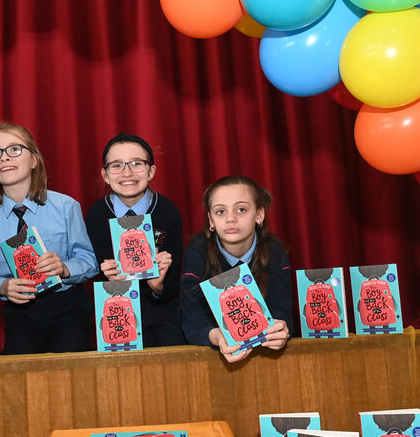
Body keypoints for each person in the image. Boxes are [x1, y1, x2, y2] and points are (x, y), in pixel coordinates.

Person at [0, 121, 98, 354]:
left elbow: (89, 261)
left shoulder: (66, 206)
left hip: (68, 308)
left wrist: (64, 268)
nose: (5, 158)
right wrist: (4, 285)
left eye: (14, 149)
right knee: (19, 377)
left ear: (33, 160)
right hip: (20, 313)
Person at [85, 132, 185, 346]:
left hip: (161, 310)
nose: (127, 172)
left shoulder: (168, 212)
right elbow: (95, 276)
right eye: (117, 165)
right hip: (115, 311)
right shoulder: (96, 215)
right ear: (105, 174)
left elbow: (173, 284)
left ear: (151, 171)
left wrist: (158, 286)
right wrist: (108, 278)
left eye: (136, 163)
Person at [180, 175, 293, 362]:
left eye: (241, 209)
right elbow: (192, 316)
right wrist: (217, 337)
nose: (230, 219)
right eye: (220, 212)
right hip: (213, 355)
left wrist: (280, 329)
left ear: (259, 215)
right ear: (210, 220)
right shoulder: (197, 253)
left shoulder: (275, 251)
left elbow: (281, 309)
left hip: (265, 356)